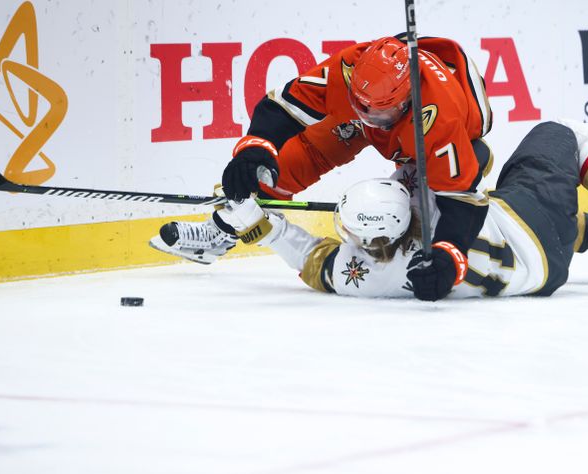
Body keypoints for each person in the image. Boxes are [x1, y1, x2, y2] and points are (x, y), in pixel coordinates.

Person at [150, 34, 495, 300]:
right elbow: (283, 105)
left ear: (406, 101)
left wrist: (451, 255)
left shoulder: (439, 119)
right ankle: (223, 227)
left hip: (447, 127)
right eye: (361, 108)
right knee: (303, 154)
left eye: (378, 116)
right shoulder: (348, 71)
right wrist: (255, 147)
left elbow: (464, 198)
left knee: (435, 186)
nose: (368, 122)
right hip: (387, 103)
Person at [196, 119, 588, 300]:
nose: (347, 237)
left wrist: (260, 225)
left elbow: (312, 259)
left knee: (527, 223)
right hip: (524, 222)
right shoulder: (441, 205)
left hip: (542, 276)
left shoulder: (371, 277)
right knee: (566, 131)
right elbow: (479, 155)